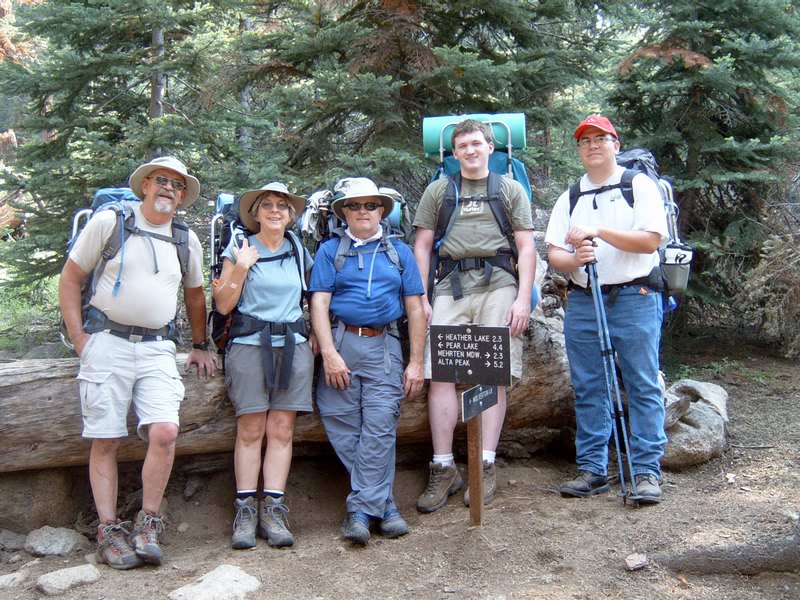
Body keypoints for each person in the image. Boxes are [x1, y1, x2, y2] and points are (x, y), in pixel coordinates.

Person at [59, 156, 216, 569]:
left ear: (182, 197)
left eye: (177, 185)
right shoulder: (111, 223)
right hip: (106, 340)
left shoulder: (185, 239)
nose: (169, 189)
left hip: (158, 346)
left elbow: (196, 294)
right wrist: (79, 337)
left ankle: (149, 522)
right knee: (105, 437)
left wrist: (201, 343)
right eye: (162, 181)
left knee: (165, 431)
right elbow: (72, 277)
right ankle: (109, 529)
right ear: (145, 185)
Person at [413, 119, 536, 512]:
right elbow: (423, 245)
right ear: (453, 153)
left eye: (476, 143)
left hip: (499, 284)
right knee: (441, 373)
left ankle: (484, 463)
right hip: (450, 285)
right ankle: (444, 465)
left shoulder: (509, 189)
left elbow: (527, 247)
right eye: (462, 145)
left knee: (492, 373)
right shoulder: (439, 191)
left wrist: (523, 300)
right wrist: (422, 297)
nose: (469, 150)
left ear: (490, 147)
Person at [545, 115, 668, 504]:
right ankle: (593, 469)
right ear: (579, 150)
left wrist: (598, 232)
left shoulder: (639, 185)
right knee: (588, 386)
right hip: (584, 300)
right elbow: (554, 256)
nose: (593, 146)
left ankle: (647, 471)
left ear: (616, 144)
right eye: (585, 141)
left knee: (642, 382)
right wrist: (576, 258)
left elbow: (650, 242)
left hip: (636, 296)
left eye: (601, 139)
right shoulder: (571, 196)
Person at [309, 177, 426, 545]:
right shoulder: (331, 251)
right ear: (344, 212)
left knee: (379, 425)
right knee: (341, 422)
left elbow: (416, 309)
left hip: (385, 347)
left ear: (382, 211)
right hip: (342, 340)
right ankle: (386, 505)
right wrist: (329, 353)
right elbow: (319, 303)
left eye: (370, 205)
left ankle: (360, 512)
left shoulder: (399, 252)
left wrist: (417, 363)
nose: (363, 211)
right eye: (355, 206)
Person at [212, 182, 316, 550]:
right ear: (254, 213)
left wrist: (318, 338)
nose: (275, 211)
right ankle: (245, 511)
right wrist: (240, 267)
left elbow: (313, 298)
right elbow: (223, 304)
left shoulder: (298, 250)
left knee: (283, 429)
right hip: (249, 345)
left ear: (290, 215)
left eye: (282, 206)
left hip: (293, 345)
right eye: (267, 205)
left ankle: (273, 508)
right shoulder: (239, 248)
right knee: (251, 428)